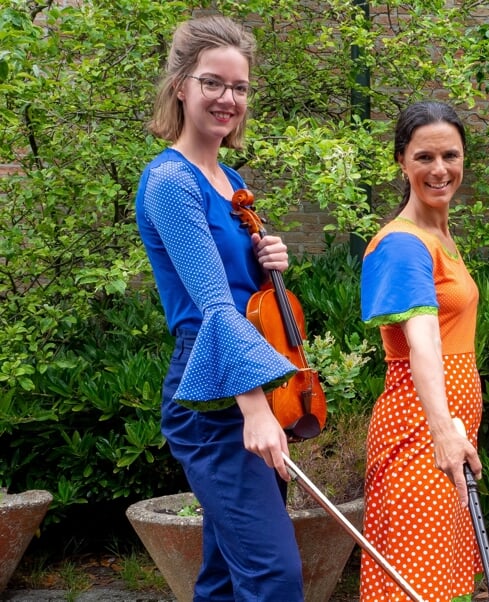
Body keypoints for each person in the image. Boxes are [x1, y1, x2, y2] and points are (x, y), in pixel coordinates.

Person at [135, 15, 304, 602]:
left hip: (243, 372)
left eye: (239, 88)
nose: (227, 99)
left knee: (229, 575)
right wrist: (255, 408)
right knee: (273, 576)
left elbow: (244, 294)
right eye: (213, 83)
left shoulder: (229, 179)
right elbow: (212, 305)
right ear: (181, 84)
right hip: (213, 394)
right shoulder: (170, 181)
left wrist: (270, 259)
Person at [359, 100, 484, 602]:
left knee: (446, 583)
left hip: (448, 434)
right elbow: (423, 345)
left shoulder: (438, 235)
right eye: (424, 157)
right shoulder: (403, 245)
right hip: (420, 437)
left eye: (450, 156)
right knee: (417, 585)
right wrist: (443, 435)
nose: (439, 170)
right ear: (401, 162)